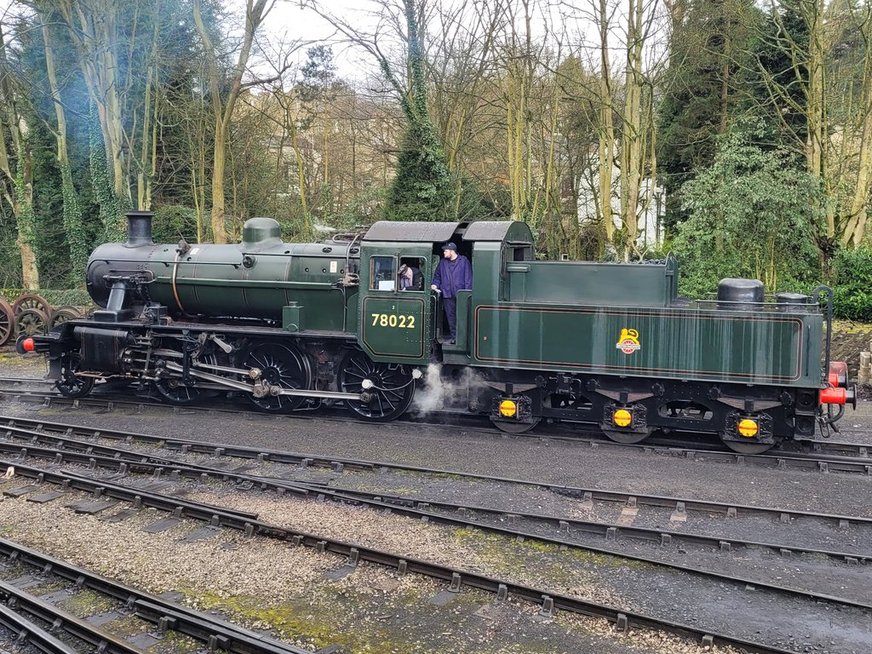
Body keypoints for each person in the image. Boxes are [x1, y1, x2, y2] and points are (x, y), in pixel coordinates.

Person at [430, 242, 472, 343]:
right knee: (451, 317)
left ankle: (463, 339)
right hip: (447, 294)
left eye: (445, 251)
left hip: (461, 295)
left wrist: (467, 294)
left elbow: (468, 278)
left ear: (452, 251)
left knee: (462, 316)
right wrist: (435, 285)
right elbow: (437, 276)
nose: (444, 253)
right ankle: (455, 338)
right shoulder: (443, 263)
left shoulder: (464, 261)